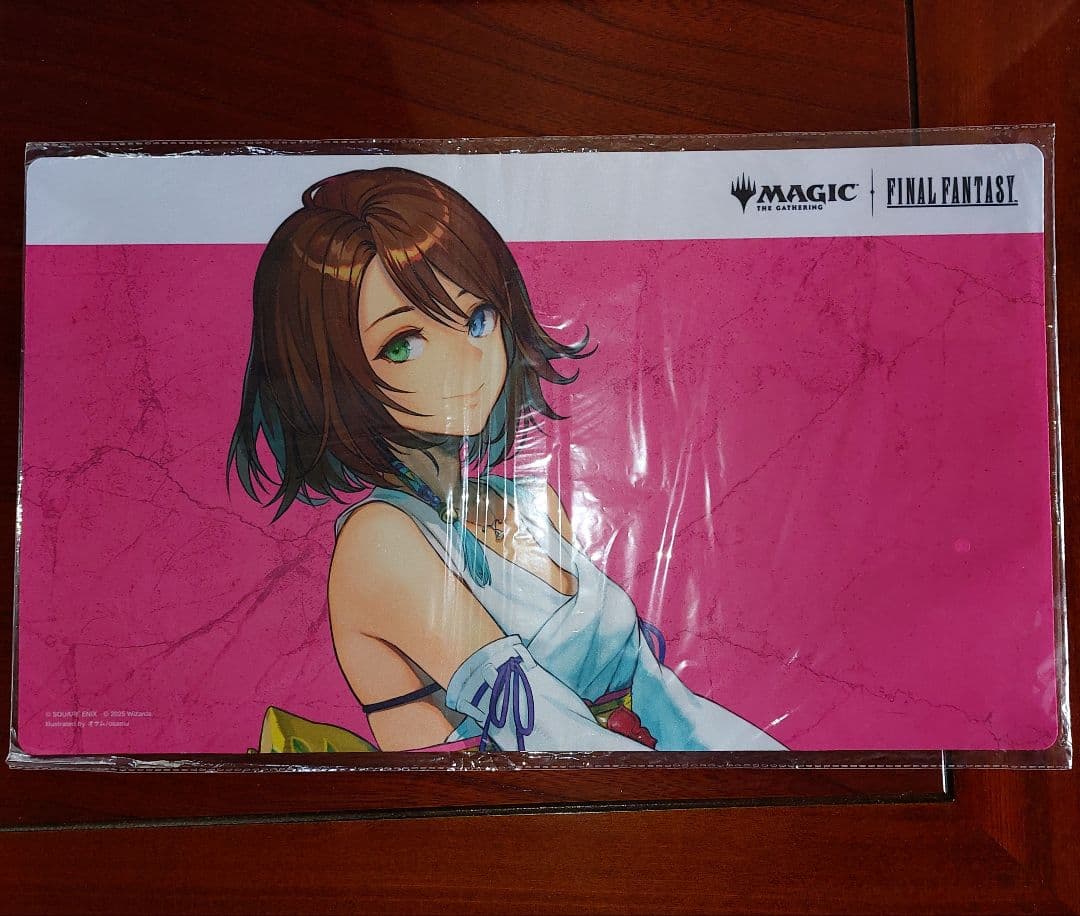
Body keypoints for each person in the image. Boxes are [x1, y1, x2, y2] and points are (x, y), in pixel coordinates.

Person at [229, 167, 784, 753]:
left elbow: (668, 702)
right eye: (403, 343)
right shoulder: (380, 541)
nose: (467, 360)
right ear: (326, 379)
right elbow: (542, 734)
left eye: (477, 319)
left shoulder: (530, 504)